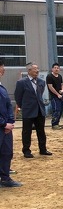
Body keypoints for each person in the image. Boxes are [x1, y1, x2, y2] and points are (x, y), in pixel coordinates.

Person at [14, 62, 52, 158]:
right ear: (29, 70)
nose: (37, 71)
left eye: (38, 69)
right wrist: (23, 106)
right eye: (35, 69)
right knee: (27, 131)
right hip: (28, 110)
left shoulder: (41, 82)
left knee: (41, 131)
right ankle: (26, 150)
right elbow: (18, 97)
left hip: (40, 110)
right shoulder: (21, 82)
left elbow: (40, 95)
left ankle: (43, 149)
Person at [0, 59, 21, 187]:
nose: (3, 69)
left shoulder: (2, 87)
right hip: (2, 126)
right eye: (1, 66)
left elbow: (8, 105)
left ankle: (5, 178)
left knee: (6, 153)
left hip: (6, 128)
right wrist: (3, 124)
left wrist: (10, 122)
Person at [46, 62, 63, 130]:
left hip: (61, 96)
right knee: (57, 110)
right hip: (54, 97)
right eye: (55, 68)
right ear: (52, 69)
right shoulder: (49, 76)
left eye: (58, 68)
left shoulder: (59, 76)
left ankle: (57, 123)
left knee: (61, 110)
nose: (56, 69)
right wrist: (57, 94)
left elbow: (62, 84)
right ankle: (54, 124)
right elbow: (50, 87)